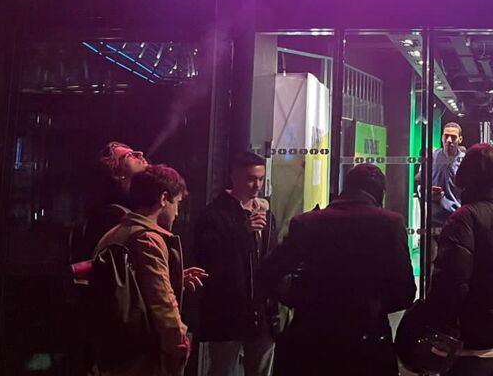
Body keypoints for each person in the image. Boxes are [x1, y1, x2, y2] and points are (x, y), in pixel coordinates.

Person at [259, 163, 416, 376]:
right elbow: (405, 291)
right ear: (380, 192)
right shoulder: (390, 223)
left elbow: (270, 271)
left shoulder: (307, 222)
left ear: (345, 187)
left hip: (311, 336)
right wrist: (373, 305)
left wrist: (297, 298)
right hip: (366, 338)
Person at [426, 143, 493, 376]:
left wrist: (437, 326)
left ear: (465, 175)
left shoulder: (463, 219)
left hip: (465, 343)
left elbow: (451, 283)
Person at [92, 164, 203, 376]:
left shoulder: (115, 233)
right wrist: (179, 343)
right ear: (163, 198)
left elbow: (132, 287)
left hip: (113, 352)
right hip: (141, 357)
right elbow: (162, 302)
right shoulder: (148, 239)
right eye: (177, 203)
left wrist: (175, 279)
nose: (177, 213)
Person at [193, 151, 278, 376]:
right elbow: (206, 256)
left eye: (261, 179)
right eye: (251, 179)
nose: (257, 185)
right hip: (228, 310)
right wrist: (242, 231)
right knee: (222, 368)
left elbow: (270, 256)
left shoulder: (266, 214)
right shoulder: (214, 214)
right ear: (234, 176)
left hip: (262, 311)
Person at [73, 142, 149, 265]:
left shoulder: (135, 210)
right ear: (117, 174)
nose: (140, 153)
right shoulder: (109, 218)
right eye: (129, 155)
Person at [429, 121, 467, 231]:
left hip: (457, 217)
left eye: (453, 137)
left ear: (460, 139)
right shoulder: (433, 158)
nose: (449, 140)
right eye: (446, 136)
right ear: (442, 138)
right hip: (434, 219)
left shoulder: (466, 161)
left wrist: (443, 200)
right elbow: (421, 182)